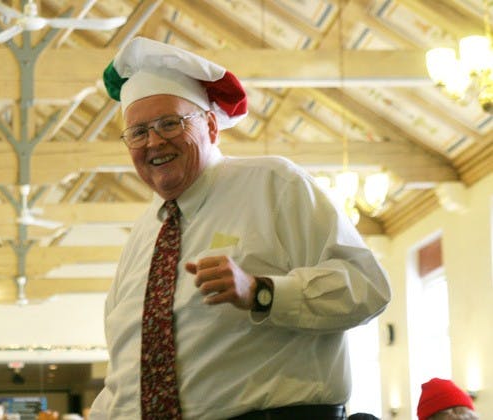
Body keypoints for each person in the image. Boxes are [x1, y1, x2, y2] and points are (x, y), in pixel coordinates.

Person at [89, 36, 391, 419]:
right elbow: (124, 372)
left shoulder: (273, 184)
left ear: (212, 126)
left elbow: (367, 287)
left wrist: (262, 292)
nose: (153, 142)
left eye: (169, 123)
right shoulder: (143, 235)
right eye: (138, 132)